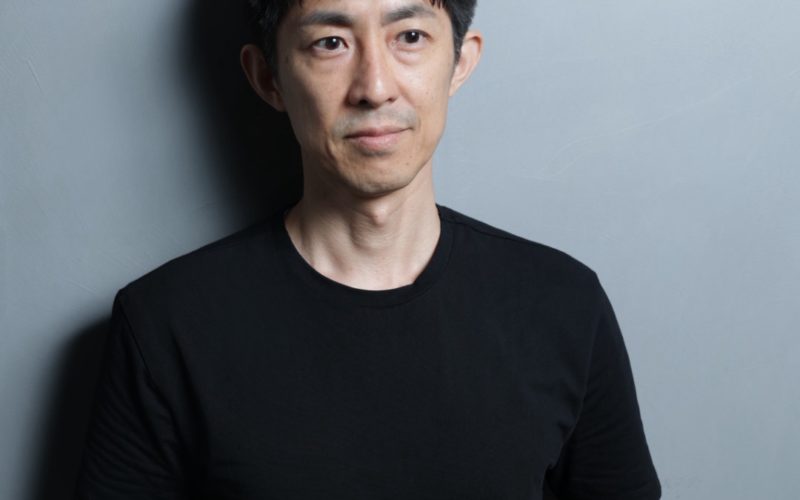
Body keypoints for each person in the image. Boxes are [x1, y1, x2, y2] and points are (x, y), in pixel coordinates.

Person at [73, 0, 661, 498]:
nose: (375, 88)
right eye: (330, 43)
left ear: (460, 61)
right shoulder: (167, 325)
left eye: (410, 37)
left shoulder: (564, 306)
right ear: (268, 78)